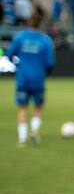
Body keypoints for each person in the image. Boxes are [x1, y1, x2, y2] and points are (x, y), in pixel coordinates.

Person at [6, 11, 55, 146]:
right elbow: (50, 63)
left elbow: (9, 55)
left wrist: (19, 64)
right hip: (38, 79)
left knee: (23, 108)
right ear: (41, 24)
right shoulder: (46, 40)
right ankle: (34, 131)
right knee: (38, 107)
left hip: (23, 78)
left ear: (29, 22)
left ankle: (22, 139)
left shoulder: (20, 38)